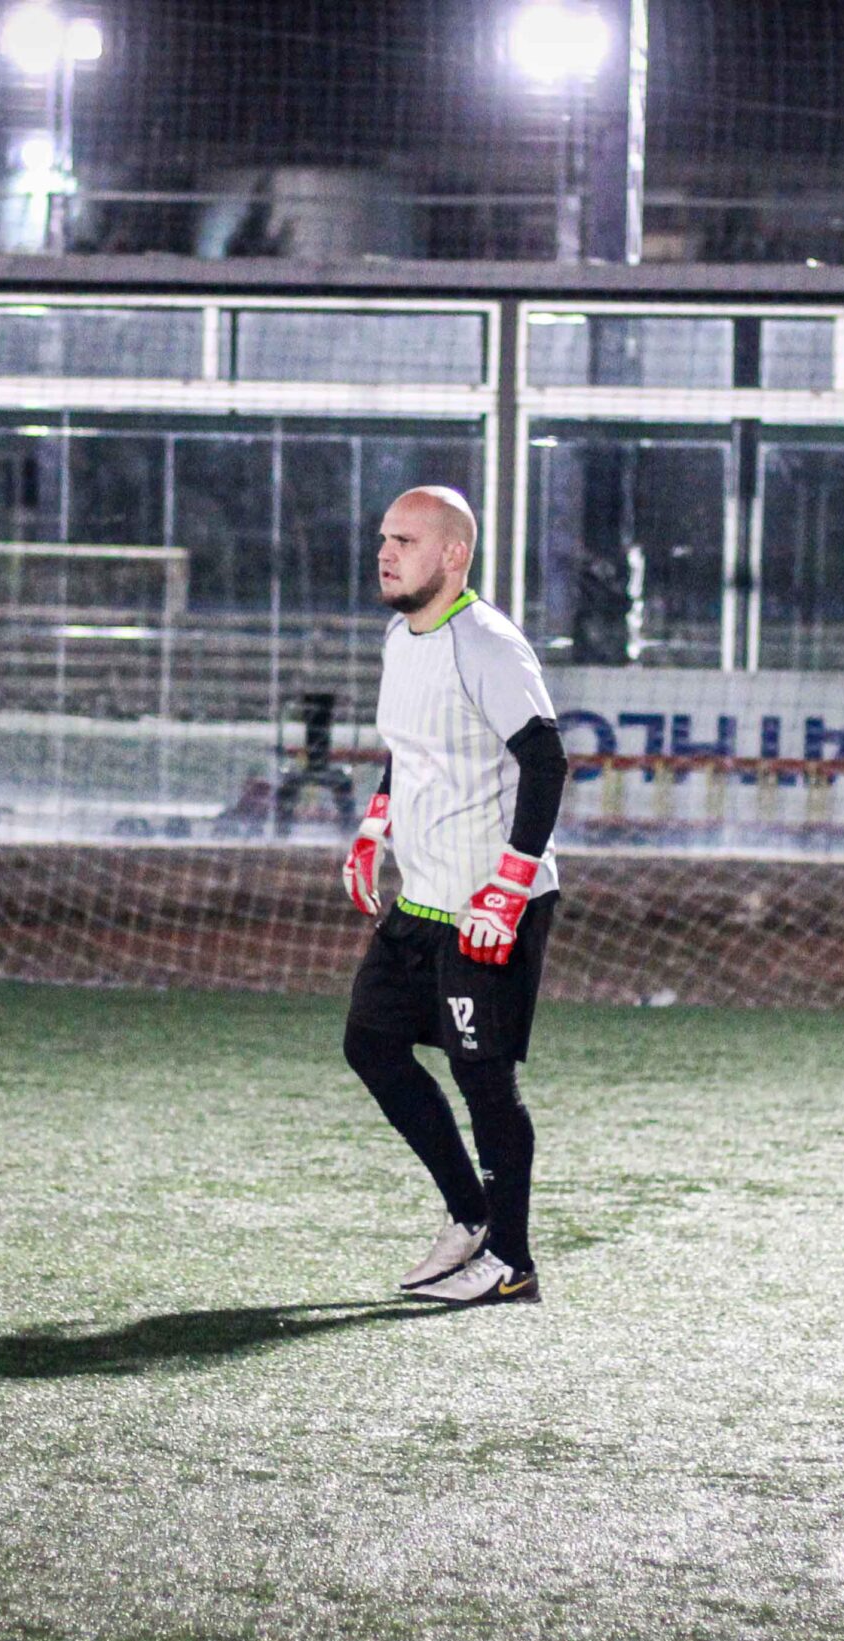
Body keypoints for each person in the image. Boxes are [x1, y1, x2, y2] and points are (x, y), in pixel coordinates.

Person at [342, 486, 569, 1308]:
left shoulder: (488, 644)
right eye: (384, 538)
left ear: (453, 555)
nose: (385, 552)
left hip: (489, 906)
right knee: (371, 1045)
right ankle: (471, 1217)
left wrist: (509, 887)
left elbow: (546, 761)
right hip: (424, 901)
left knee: (486, 1082)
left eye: (404, 541)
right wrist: (375, 827)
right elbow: (408, 750)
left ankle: (513, 1263)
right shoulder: (400, 638)